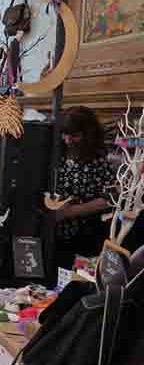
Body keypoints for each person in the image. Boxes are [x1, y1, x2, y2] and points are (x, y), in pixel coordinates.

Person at [54, 106, 116, 269]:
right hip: (55, 234)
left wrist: (70, 211)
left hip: (84, 235)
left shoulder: (99, 160)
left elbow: (108, 199)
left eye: (75, 135)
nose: (67, 140)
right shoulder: (58, 153)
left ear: (88, 135)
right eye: (64, 134)